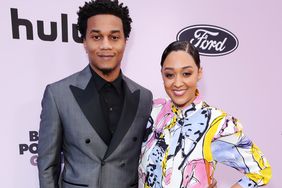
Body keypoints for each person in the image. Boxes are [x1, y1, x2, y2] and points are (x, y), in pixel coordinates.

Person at [37, 0, 152, 187]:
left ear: (125, 41)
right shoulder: (58, 95)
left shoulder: (144, 98)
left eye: (114, 37)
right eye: (96, 37)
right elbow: (47, 166)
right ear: (84, 41)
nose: (106, 45)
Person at [138, 41, 272, 188]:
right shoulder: (153, 111)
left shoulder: (217, 123)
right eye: (170, 75)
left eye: (186, 73)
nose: (177, 83)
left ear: (199, 73)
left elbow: (261, 171)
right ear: (162, 75)